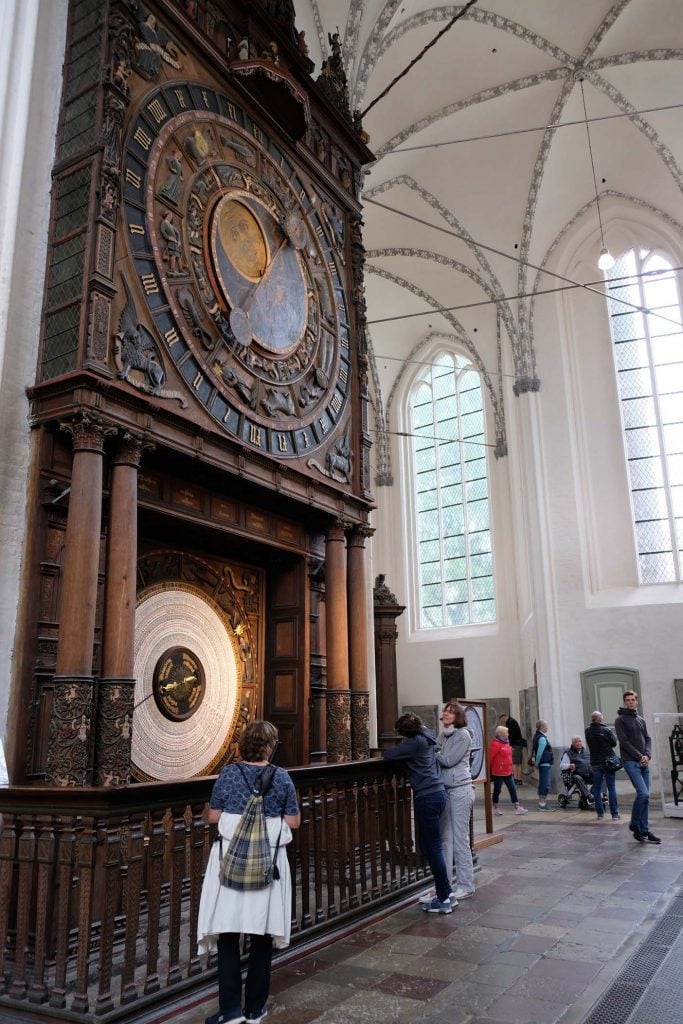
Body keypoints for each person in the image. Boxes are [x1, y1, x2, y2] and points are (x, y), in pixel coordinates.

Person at [198, 721, 301, 1024]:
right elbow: (293, 822)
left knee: (228, 934)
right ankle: (255, 1008)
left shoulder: (229, 774)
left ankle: (230, 1011)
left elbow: (214, 816)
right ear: (271, 746)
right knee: (261, 936)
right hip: (268, 864)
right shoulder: (281, 778)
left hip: (230, 861)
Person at [383, 713, 453, 913]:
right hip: (437, 793)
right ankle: (445, 893)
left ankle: (444, 897)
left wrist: (402, 743)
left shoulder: (415, 742)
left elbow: (389, 754)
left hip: (427, 796)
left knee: (434, 847)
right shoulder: (428, 735)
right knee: (427, 845)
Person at [435, 702, 476, 901]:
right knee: (445, 839)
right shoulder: (443, 735)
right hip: (445, 790)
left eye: (451, 712)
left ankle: (466, 885)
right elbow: (439, 752)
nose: (446, 714)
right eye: (445, 711)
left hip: (460, 789)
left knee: (460, 839)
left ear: (458, 715)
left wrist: (434, 753)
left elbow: (449, 760)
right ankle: (445, 884)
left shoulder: (463, 735)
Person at [614, 691, 660, 844]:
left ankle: (644, 830)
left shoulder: (641, 719)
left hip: (644, 761)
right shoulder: (620, 720)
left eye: (633, 700)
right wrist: (639, 756)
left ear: (636, 701)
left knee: (645, 798)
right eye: (628, 700)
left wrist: (647, 755)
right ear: (625, 702)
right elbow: (624, 742)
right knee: (643, 794)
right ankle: (634, 824)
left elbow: (647, 738)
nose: (631, 702)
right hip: (631, 762)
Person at [585, 710, 620, 820]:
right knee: (611, 787)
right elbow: (614, 743)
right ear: (600, 719)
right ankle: (614, 814)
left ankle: (600, 814)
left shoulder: (587, 731)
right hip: (607, 762)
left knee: (597, 789)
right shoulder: (606, 730)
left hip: (595, 762)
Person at [488, 725, 528, 817]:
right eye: (506, 732)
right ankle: (496, 808)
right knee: (497, 790)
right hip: (498, 772)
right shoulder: (496, 744)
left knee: (513, 789)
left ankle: (517, 807)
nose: (508, 734)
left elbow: (509, 757)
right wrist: (489, 770)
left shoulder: (506, 742)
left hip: (508, 771)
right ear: (501, 734)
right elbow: (491, 757)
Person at [559, 736, 595, 805]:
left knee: (601, 776)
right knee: (577, 777)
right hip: (576, 776)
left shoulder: (586, 752)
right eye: (576, 742)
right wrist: (569, 765)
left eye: (580, 741)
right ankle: (589, 796)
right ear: (572, 743)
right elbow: (562, 765)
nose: (578, 743)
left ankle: (594, 793)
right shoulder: (568, 753)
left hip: (589, 774)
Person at [531, 720, 554, 809]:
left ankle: (542, 802)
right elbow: (540, 753)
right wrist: (537, 763)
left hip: (544, 763)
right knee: (545, 783)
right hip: (544, 763)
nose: (547, 728)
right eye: (546, 726)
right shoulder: (542, 738)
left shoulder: (538, 736)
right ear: (541, 727)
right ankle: (542, 803)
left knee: (544, 782)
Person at [499, 712, 525, 783]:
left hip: (516, 745)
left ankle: (517, 779)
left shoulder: (511, 722)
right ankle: (517, 778)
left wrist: (508, 742)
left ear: (504, 717)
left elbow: (511, 735)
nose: (502, 721)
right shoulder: (510, 722)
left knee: (515, 762)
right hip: (516, 744)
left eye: (502, 720)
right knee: (517, 762)